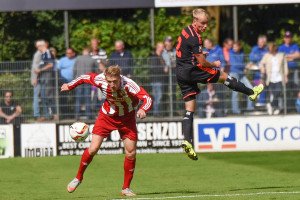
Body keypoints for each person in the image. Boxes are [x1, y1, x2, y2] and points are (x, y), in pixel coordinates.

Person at [175, 8, 264, 160]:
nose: (205, 26)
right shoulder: (196, 38)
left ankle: (187, 141)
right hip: (191, 70)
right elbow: (202, 62)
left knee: (190, 109)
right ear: (195, 21)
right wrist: (213, 63)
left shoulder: (185, 30)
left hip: (180, 73)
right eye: (202, 23)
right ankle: (251, 93)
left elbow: (187, 52)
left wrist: (200, 56)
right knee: (223, 76)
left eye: (206, 23)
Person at [61, 65, 152, 196]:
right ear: (105, 78)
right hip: (107, 117)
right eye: (109, 81)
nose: (112, 84)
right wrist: (70, 85)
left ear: (120, 78)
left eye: (114, 81)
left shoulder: (129, 85)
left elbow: (147, 98)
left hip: (127, 119)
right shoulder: (100, 80)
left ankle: (125, 188)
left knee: (131, 153)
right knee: (93, 149)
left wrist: (143, 109)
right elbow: (84, 77)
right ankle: (78, 178)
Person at [260, 42, 288, 115]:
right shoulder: (267, 56)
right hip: (270, 78)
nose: (270, 50)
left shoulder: (281, 55)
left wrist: (286, 75)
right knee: (272, 94)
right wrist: (262, 68)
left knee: (278, 92)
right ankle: (276, 108)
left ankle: (270, 105)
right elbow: (261, 63)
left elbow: (285, 66)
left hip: (279, 77)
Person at [229, 41, 254, 114]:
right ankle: (235, 110)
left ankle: (250, 108)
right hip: (234, 74)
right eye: (233, 46)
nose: (234, 48)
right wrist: (245, 66)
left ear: (239, 47)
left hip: (241, 74)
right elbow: (235, 65)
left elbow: (242, 64)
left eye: (236, 46)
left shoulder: (242, 53)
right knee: (235, 92)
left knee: (251, 89)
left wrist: (245, 66)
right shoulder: (231, 53)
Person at [73, 47, 98, 120]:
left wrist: (74, 79)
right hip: (88, 80)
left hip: (79, 80)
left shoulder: (78, 58)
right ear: (89, 52)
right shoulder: (92, 59)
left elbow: (74, 69)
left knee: (78, 98)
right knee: (87, 98)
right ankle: (88, 115)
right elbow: (96, 71)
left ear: (83, 52)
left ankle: (77, 115)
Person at [34, 40, 56, 120]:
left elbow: (50, 65)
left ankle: (53, 114)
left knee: (48, 97)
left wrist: (40, 70)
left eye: (38, 46)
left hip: (47, 78)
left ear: (41, 46)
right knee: (43, 97)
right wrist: (37, 76)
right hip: (42, 78)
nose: (37, 48)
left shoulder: (48, 53)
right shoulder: (43, 55)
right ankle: (47, 115)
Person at [278, 31, 300, 111]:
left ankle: (295, 107)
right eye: (286, 37)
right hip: (284, 71)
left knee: (296, 87)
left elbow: (298, 55)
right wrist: (292, 56)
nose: (288, 39)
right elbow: (281, 58)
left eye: (289, 37)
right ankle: (283, 108)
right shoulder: (281, 47)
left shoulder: (295, 46)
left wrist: (287, 56)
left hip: (294, 70)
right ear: (284, 38)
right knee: (284, 88)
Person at [149, 42, 168, 116]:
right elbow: (154, 69)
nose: (163, 48)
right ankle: (156, 113)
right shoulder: (154, 57)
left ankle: (159, 112)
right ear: (158, 47)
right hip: (156, 80)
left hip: (161, 80)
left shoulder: (161, 57)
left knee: (159, 97)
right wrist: (163, 69)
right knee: (158, 97)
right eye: (162, 47)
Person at [31, 40, 43, 121]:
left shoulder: (41, 54)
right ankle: (37, 115)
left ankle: (39, 114)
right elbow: (35, 67)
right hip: (37, 79)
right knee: (36, 96)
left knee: (39, 96)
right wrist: (35, 78)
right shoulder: (38, 54)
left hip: (39, 78)